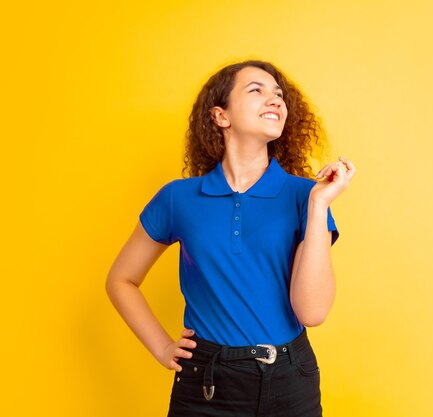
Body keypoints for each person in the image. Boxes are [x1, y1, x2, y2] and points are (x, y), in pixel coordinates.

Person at [105, 59, 356, 417]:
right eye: (257, 90)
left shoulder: (306, 195)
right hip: (206, 381)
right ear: (220, 116)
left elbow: (312, 312)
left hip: (290, 377)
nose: (275, 100)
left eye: (279, 95)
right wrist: (161, 348)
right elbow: (121, 279)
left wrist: (318, 206)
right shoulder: (178, 199)